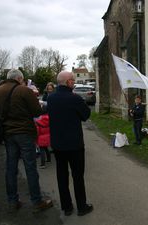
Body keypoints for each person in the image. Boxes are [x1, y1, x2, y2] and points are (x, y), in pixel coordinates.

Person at [0, 69, 53, 212]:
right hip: (25, 133)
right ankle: (37, 202)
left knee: (11, 167)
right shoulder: (24, 90)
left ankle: (12, 201)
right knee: (30, 167)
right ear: (19, 78)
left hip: (7, 134)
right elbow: (37, 112)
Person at [47, 71, 93, 216]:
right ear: (67, 82)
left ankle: (67, 207)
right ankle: (81, 207)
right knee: (77, 176)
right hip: (75, 145)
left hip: (58, 144)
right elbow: (86, 115)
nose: (74, 82)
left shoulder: (51, 98)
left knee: (62, 176)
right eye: (72, 80)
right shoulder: (75, 98)